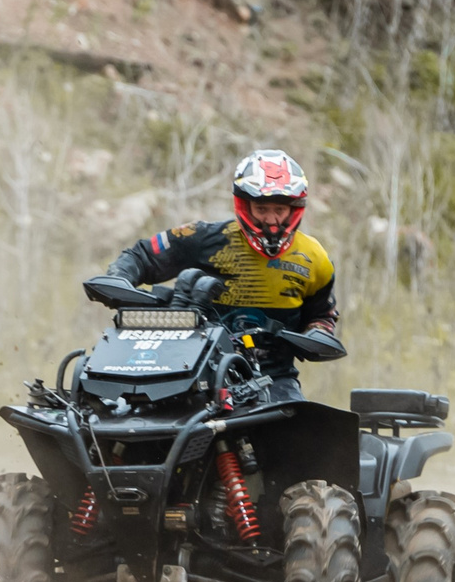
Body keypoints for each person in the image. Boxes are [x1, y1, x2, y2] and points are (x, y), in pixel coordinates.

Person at [101, 148, 343, 399]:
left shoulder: (315, 258)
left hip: (274, 378)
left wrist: (319, 333)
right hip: (196, 373)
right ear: (245, 205)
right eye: (262, 209)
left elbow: (322, 315)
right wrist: (118, 278)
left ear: (294, 209)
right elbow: (142, 255)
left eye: (279, 210)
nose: (271, 220)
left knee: (303, 431)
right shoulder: (203, 237)